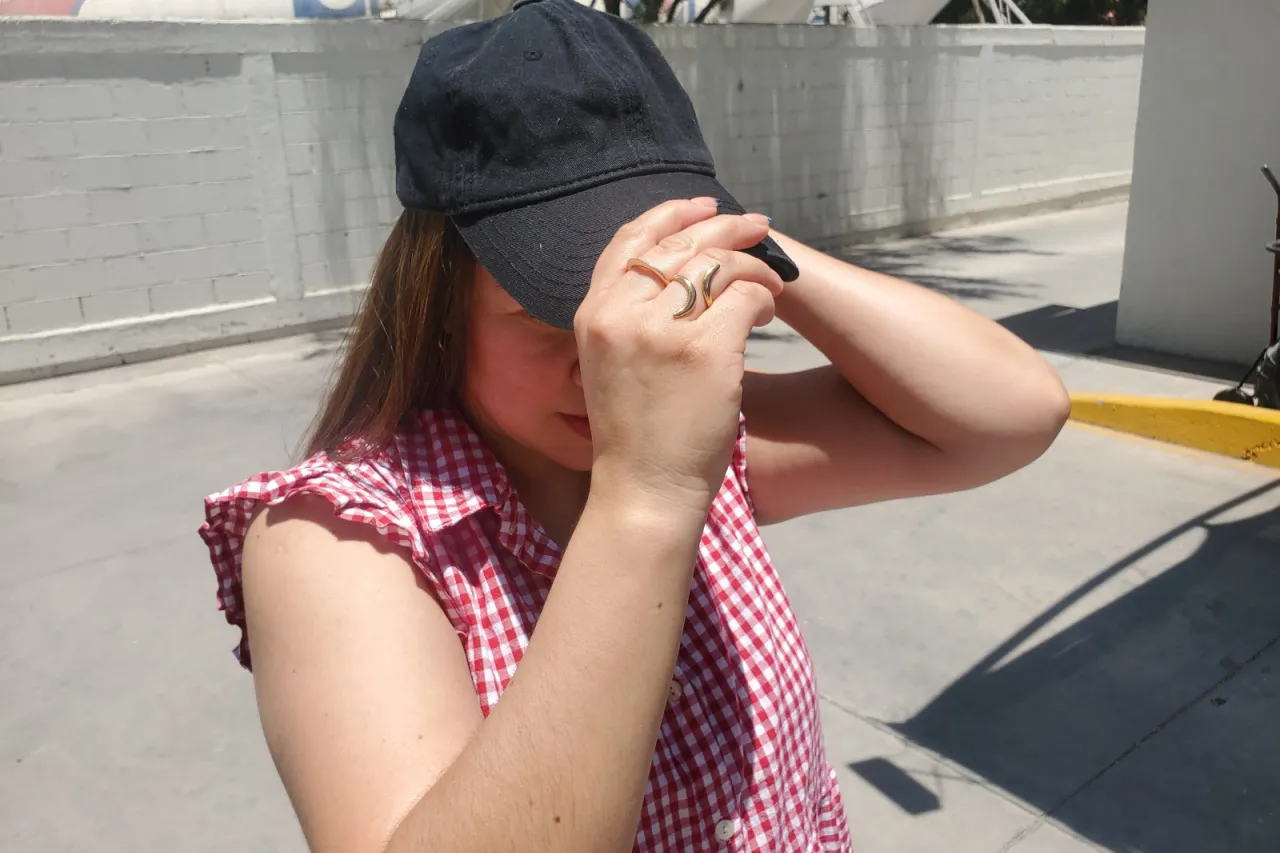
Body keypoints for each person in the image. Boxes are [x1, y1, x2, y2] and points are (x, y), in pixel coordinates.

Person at [199, 1, 1070, 851]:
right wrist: (646, 497)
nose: (615, 363)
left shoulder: (705, 435)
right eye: (555, 318)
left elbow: (1009, 415)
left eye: (663, 297)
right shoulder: (337, 540)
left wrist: (754, 247)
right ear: (436, 309)